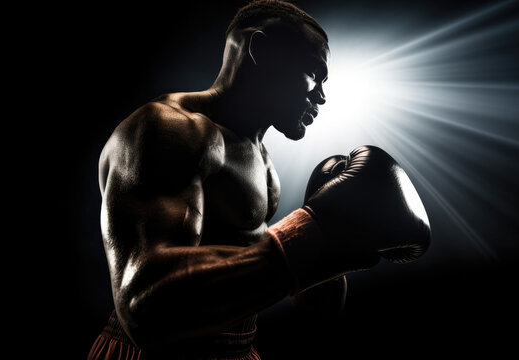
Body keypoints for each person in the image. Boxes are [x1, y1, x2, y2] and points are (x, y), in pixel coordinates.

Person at [88, 1, 431, 359]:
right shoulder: (172, 130)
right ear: (261, 50)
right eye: (314, 72)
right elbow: (145, 305)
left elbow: (315, 310)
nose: (322, 96)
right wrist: (312, 231)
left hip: (237, 349)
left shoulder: (264, 163)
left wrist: (343, 244)